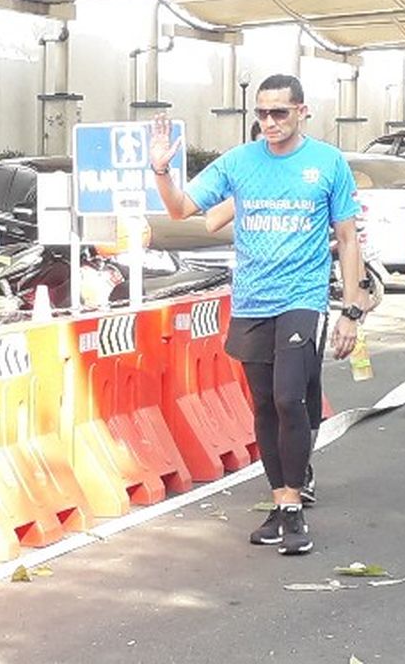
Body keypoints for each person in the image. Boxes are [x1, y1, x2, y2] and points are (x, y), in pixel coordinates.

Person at [151, 73, 363, 555]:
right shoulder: (239, 162)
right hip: (251, 300)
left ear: (302, 111)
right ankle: (282, 501)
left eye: (279, 113)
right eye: (262, 113)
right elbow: (184, 210)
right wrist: (162, 173)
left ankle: (294, 504)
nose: (269, 122)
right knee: (265, 405)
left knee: (290, 399)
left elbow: (348, 238)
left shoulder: (327, 163)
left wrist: (351, 308)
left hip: (302, 298)